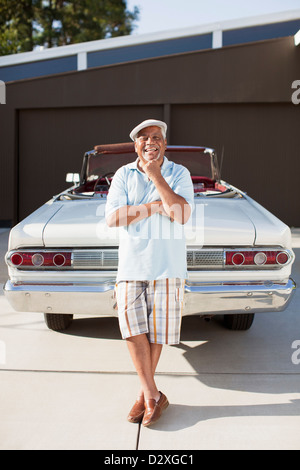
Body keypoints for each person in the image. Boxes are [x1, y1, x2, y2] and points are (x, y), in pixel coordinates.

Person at [105, 119, 194, 427]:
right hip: (131, 265)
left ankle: (146, 397)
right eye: (144, 138)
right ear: (136, 146)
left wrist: (156, 176)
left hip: (168, 267)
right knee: (131, 329)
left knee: (156, 334)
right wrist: (155, 207)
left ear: (164, 144)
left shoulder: (178, 173)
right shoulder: (123, 174)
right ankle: (153, 393)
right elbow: (114, 218)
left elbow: (181, 214)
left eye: (156, 137)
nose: (150, 141)